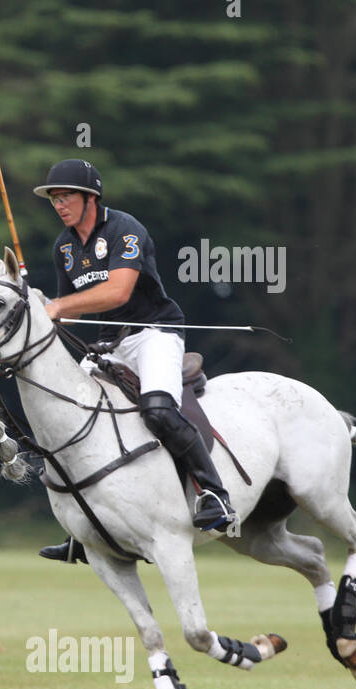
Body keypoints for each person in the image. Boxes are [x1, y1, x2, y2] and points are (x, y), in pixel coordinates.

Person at [33, 159, 234, 564]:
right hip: (110, 343)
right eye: (54, 198)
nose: (59, 204)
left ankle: (213, 493)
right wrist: (36, 307)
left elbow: (118, 293)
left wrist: (56, 306)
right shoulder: (64, 247)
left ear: (91, 197)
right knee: (63, 416)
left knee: (158, 411)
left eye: (66, 195)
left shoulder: (126, 229)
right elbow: (68, 312)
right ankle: (81, 528)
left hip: (153, 333)